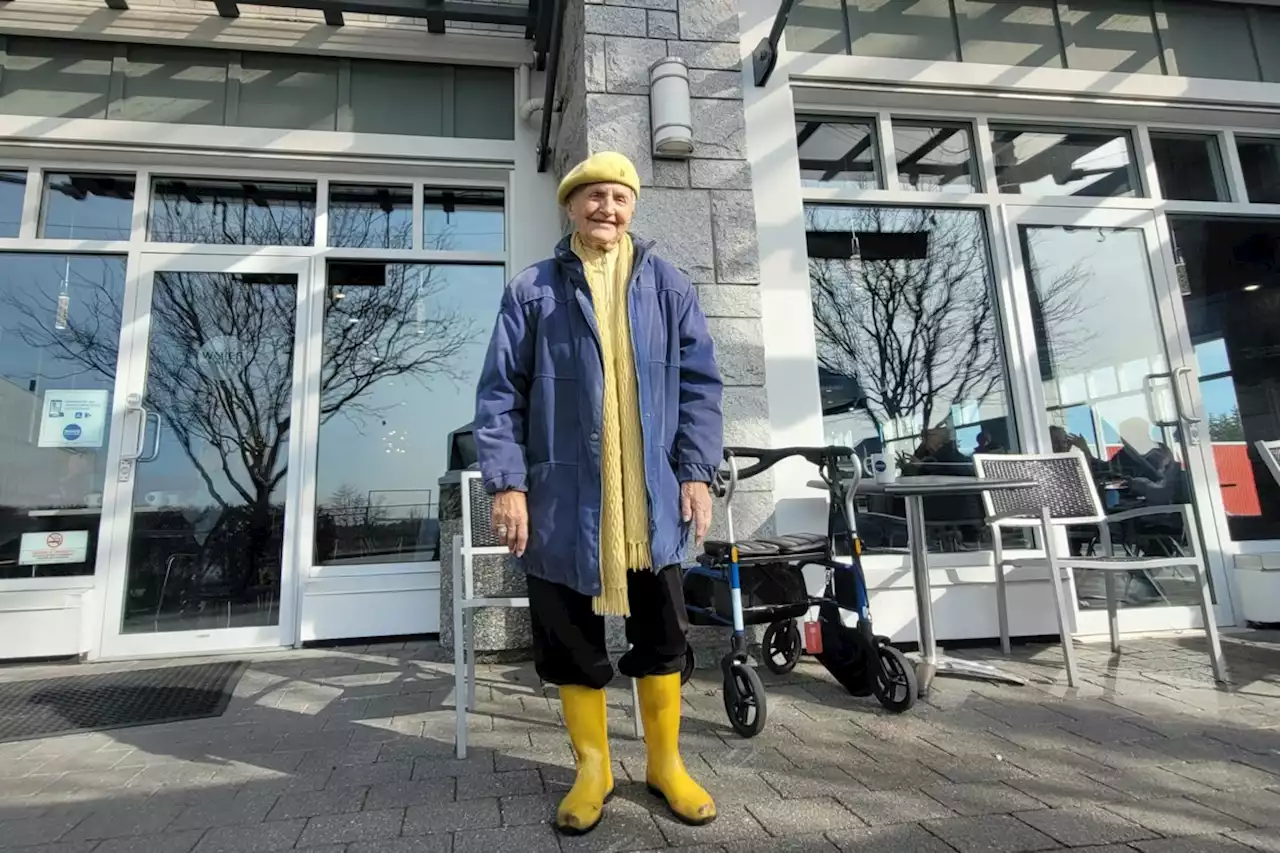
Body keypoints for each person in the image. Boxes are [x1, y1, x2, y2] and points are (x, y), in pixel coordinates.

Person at [474, 152, 722, 836]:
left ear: (632, 205)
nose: (604, 208)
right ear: (569, 206)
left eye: (617, 196)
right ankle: (594, 769)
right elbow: (499, 396)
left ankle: (664, 763)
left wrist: (697, 470)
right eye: (591, 197)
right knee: (570, 643)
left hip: (652, 505)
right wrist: (508, 484)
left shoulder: (668, 284)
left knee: (664, 638)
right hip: (561, 505)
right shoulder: (533, 290)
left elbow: (701, 385)